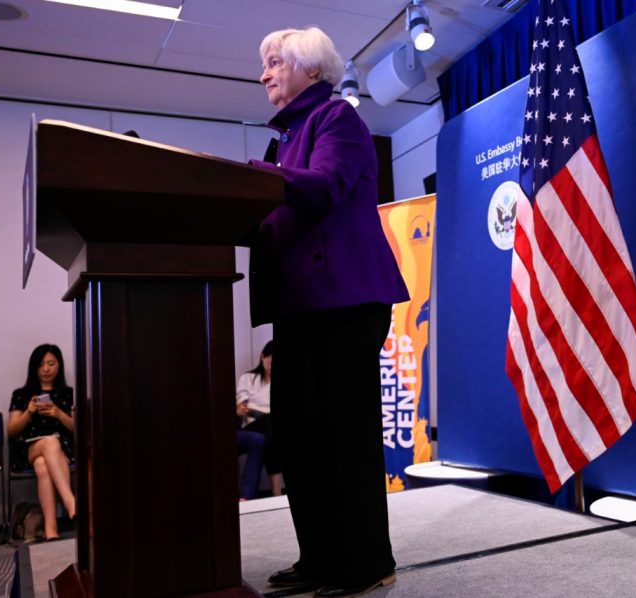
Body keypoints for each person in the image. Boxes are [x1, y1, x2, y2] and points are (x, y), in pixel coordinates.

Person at [247, 26, 410, 598]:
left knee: (344, 435)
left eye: (274, 62)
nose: (264, 74)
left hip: (345, 299)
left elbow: (326, 185)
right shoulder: (288, 136)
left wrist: (253, 179)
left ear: (310, 68)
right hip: (300, 304)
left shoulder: (336, 117)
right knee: (299, 438)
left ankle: (367, 563)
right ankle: (319, 558)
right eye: (265, 64)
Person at [7, 344, 76, 541]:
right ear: (34, 368)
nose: (46, 369)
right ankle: (70, 502)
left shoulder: (69, 393)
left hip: (63, 450)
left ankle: (50, 529)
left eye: (51, 363)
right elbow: (12, 430)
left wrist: (58, 413)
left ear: (59, 365)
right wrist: (29, 412)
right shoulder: (21, 394)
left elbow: (76, 428)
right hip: (29, 448)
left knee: (42, 465)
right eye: (41, 365)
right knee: (49, 442)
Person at [236, 340, 282, 499]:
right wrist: (241, 408)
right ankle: (277, 493)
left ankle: (274, 494)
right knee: (271, 425)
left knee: (270, 433)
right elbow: (241, 405)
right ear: (263, 357)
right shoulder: (248, 378)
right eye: (270, 360)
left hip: (271, 427)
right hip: (251, 423)